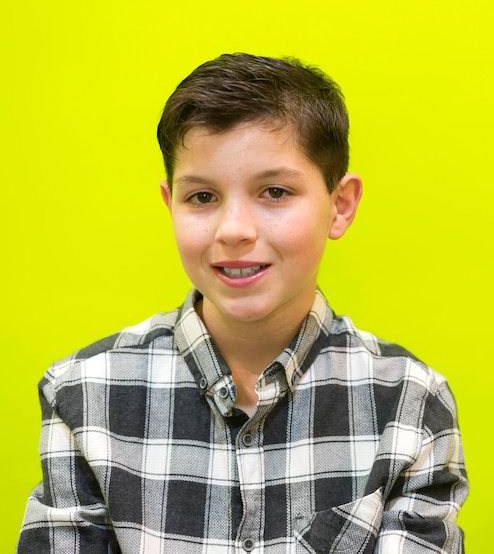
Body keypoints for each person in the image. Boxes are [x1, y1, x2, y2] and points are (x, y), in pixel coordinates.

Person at [17, 53, 468, 553]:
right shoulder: (84, 395)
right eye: (203, 197)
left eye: (274, 191)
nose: (233, 230)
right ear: (171, 205)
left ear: (339, 206)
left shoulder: (409, 403)